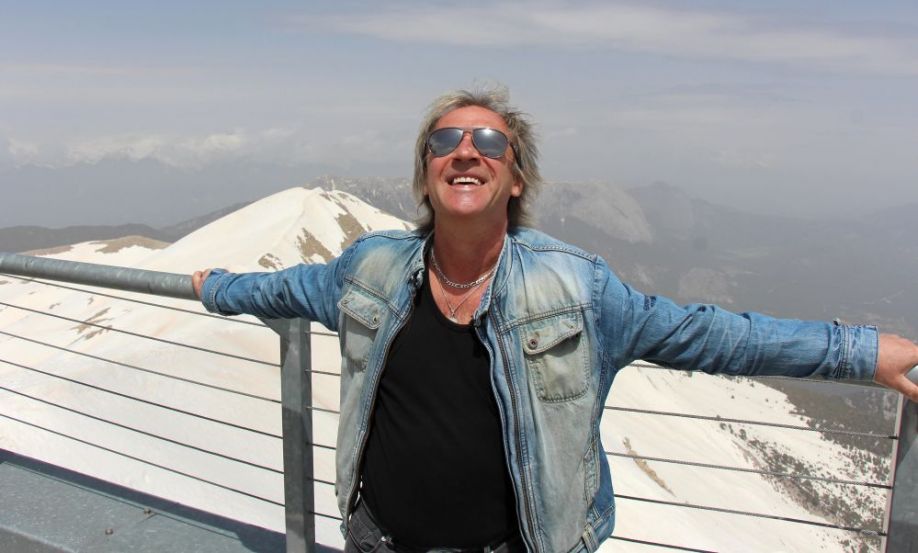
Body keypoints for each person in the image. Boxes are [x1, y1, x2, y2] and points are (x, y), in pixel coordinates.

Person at [193, 87, 918, 553]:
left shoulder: (577, 288)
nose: (465, 152)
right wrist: (214, 286)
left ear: (516, 178)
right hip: (378, 540)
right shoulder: (370, 268)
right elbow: (283, 288)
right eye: (444, 142)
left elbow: (710, 334)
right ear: (425, 176)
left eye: (489, 143)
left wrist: (860, 353)